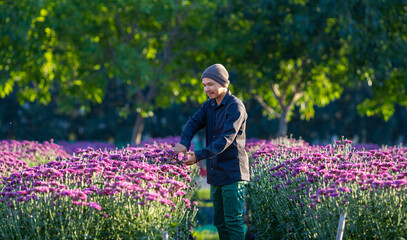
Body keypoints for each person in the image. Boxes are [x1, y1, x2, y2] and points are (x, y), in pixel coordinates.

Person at [174, 63, 250, 240]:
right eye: (204, 85)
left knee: (233, 222)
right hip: (216, 174)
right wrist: (184, 143)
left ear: (223, 83)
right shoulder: (209, 106)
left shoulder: (235, 107)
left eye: (210, 84)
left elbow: (226, 139)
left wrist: (198, 155)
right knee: (220, 222)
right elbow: (193, 122)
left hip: (233, 173)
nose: (207, 89)